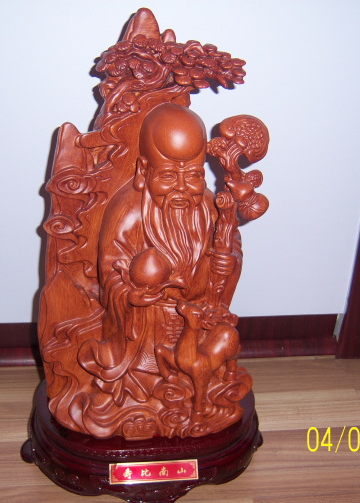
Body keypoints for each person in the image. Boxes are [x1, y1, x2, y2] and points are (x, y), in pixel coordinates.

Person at [78, 103, 242, 409]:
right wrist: (131, 295)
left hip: (196, 313)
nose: (181, 188)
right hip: (145, 322)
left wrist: (226, 261)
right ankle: (150, 378)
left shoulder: (208, 207)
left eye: (193, 176)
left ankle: (193, 381)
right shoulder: (129, 210)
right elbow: (110, 270)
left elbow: (230, 247)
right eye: (167, 175)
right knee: (141, 372)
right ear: (144, 171)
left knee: (207, 355)